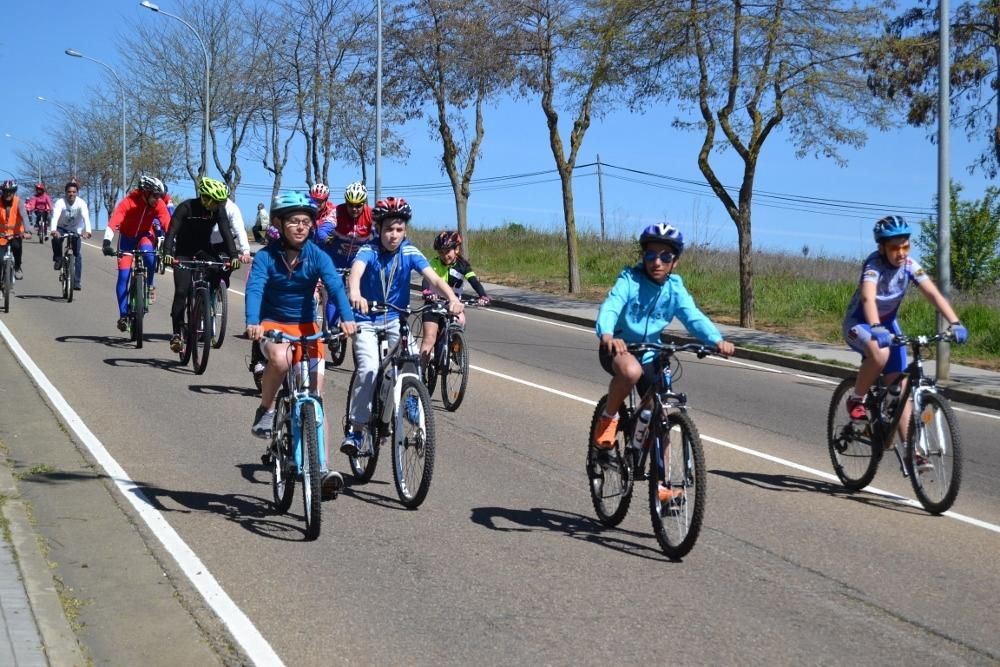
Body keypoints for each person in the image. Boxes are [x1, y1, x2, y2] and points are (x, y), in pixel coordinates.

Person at [594, 223, 734, 501]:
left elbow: (693, 317)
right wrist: (608, 334)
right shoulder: (629, 280)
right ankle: (608, 421)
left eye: (665, 257)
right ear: (643, 257)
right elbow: (611, 306)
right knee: (631, 372)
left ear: (674, 262)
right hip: (619, 346)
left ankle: (663, 485)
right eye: (650, 256)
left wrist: (716, 340)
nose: (657, 262)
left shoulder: (675, 289)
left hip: (651, 351)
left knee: (663, 413)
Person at [245, 191, 357, 493]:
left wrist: (346, 318)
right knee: (280, 360)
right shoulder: (267, 256)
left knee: (315, 400)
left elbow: (334, 284)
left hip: (308, 327)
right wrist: (253, 322)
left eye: (306, 222)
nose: (300, 227)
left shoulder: (317, 255)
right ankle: (267, 410)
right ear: (280, 223)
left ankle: (321, 468)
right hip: (273, 322)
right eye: (293, 221)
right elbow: (255, 288)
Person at [841, 215, 968, 469]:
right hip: (861, 323)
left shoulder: (910, 266)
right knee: (879, 355)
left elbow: (932, 292)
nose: (901, 253)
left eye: (905, 246)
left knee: (900, 388)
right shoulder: (874, 265)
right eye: (894, 248)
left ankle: (913, 451)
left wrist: (955, 321)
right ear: (882, 248)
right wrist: (875, 326)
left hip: (887, 325)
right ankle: (856, 398)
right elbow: (868, 297)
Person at [342, 197, 463, 455]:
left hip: (395, 320)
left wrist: (452, 298)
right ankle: (357, 429)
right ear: (379, 229)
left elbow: (432, 278)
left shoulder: (409, 251)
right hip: (366, 320)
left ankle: (409, 399)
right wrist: (355, 293)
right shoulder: (369, 250)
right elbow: (356, 272)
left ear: (405, 230)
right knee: (370, 369)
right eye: (388, 229)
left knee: (412, 361)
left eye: (399, 230)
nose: (394, 235)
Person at [162, 177, 241, 353]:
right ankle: (177, 333)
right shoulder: (186, 207)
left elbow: (226, 232)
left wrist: (233, 256)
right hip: (183, 251)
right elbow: (172, 231)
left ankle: (204, 301)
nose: (219, 205)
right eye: (216, 202)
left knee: (219, 268)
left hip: (204, 249)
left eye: (221, 202)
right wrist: (167, 253)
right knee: (181, 291)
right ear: (205, 198)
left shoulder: (218, 210)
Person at [103, 175, 171, 332]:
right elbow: (114, 220)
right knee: (124, 276)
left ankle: (150, 285)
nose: (158, 199)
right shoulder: (128, 202)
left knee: (149, 254)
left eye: (160, 196)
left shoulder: (158, 204)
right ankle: (124, 316)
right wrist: (107, 242)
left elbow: (167, 222)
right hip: (126, 238)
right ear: (145, 192)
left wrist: (173, 242)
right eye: (155, 195)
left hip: (144, 236)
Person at [418, 230, 490, 368]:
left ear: (456, 249)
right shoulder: (434, 263)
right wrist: (427, 291)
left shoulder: (463, 266)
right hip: (433, 303)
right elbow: (427, 279)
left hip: (453, 305)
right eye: (441, 252)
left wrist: (483, 295)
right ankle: (420, 374)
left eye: (447, 251)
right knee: (429, 338)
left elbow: (474, 282)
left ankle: (456, 346)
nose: (444, 256)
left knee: (461, 320)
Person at [315, 181, 374, 324]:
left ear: (364, 203)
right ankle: (333, 328)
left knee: (362, 293)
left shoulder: (371, 214)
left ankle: (361, 324)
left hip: (357, 261)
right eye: (350, 204)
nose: (354, 209)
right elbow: (321, 231)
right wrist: (326, 239)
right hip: (337, 259)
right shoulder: (337, 212)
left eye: (358, 205)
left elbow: (380, 235)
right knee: (335, 294)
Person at [49, 180, 92, 290]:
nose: (71, 194)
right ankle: (58, 258)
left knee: (77, 255)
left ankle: (76, 282)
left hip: (75, 229)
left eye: (74, 192)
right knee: (56, 239)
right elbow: (55, 217)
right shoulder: (60, 202)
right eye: (69, 192)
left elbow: (86, 217)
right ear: (65, 193)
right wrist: (54, 230)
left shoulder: (81, 203)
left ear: (77, 193)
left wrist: (88, 231)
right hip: (61, 227)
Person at [0, 180, 32, 278]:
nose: (8, 194)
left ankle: (17, 267)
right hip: (1, 235)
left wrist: (28, 231)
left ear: (14, 192)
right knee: (0, 259)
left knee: (17, 248)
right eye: (5, 191)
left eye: (11, 191)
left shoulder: (19, 202)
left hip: (16, 234)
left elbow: (25, 217)